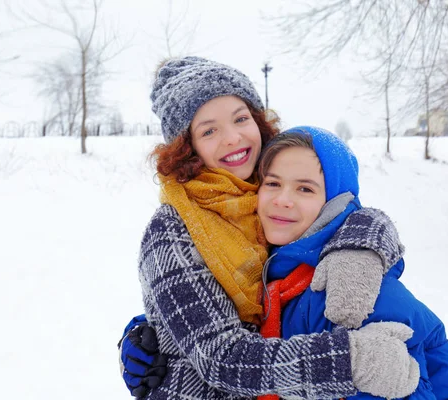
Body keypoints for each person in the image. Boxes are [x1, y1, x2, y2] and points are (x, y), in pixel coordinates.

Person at [120, 56, 419, 399]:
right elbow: (221, 357)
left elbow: (340, 208)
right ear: (188, 149)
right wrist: (350, 361)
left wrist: (361, 244)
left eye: (240, 118)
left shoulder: (266, 190)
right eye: (209, 130)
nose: (232, 138)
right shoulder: (172, 230)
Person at [255, 126, 448, 399]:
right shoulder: (278, 274)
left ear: (334, 202)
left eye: (305, 188)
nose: (283, 200)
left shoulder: (350, 293)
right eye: (273, 183)